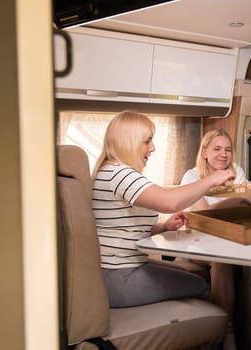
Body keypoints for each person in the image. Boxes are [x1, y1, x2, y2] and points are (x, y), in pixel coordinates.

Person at [91, 110, 234, 308]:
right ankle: (226, 335)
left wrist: (164, 227)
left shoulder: (110, 171)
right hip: (120, 276)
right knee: (200, 285)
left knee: (191, 273)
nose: (153, 147)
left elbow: (125, 229)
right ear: (129, 141)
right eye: (147, 141)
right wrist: (212, 179)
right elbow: (170, 202)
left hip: (116, 272)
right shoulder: (119, 173)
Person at [180, 128, 251, 350]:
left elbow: (248, 200)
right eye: (217, 149)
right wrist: (235, 200)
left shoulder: (236, 170)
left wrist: (239, 200)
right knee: (220, 260)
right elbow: (204, 215)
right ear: (204, 152)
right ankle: (226, 330)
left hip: (231, 237)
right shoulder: (192, 177)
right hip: (197, 241)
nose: (224, 154)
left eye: (228, 149)